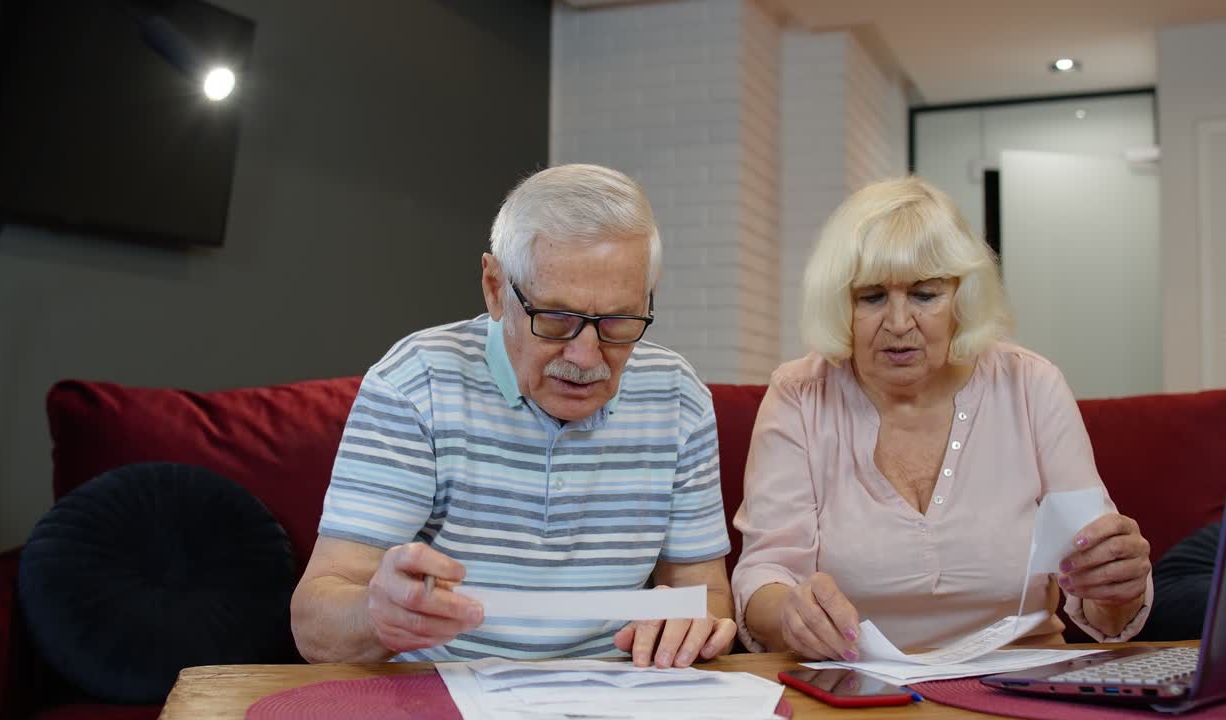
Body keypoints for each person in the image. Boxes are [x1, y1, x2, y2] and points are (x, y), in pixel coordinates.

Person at [291, 164, 736, 667]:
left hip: (617, 694)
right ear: (495, 287)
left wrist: (694, 625)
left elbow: (703, 593)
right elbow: (315, 625)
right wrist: (378, 615)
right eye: (557, 318)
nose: (587, 357)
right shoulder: (416, 383)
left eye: (618, 321)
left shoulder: (678, 396)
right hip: (442, 694)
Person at [731, 177, 1153, 660]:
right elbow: (765, 572)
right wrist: (789, 612)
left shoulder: (1031, 385)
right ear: (839, 302)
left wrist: (1117, 586)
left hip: (1019, 681)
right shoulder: (799, 395)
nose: (897, 323)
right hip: (854, 684)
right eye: (871, 297)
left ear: (961, 297)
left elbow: (1101, 601)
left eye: (924, 295)